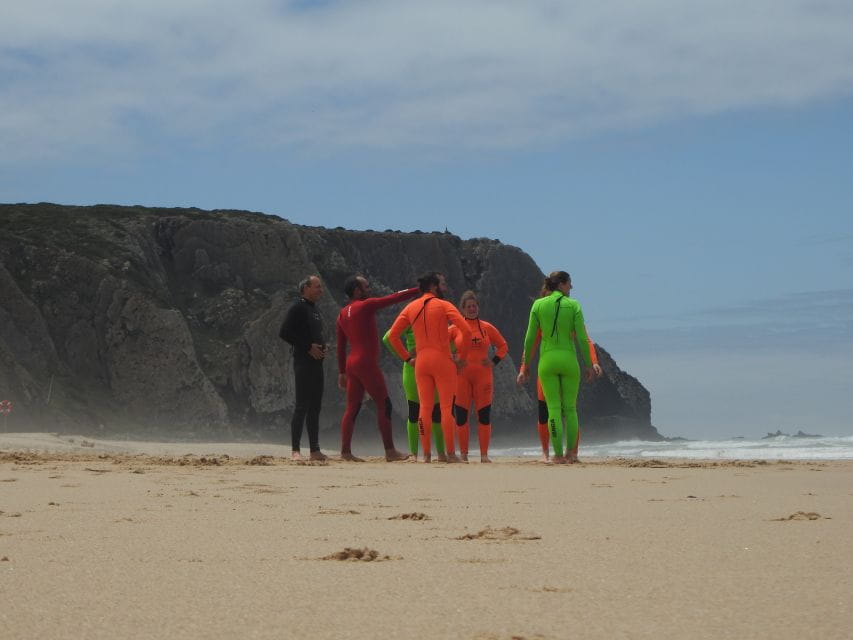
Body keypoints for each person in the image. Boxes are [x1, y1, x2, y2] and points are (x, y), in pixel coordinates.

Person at [387, 272, 471, 463]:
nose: (445, 288)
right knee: (445, 408)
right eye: (442, 285)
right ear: (433, 287)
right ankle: (450, 454)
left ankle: (425, 455)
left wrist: (407, 358)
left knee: (424, 408)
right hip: (442, 360)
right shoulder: (444, 305)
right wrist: (461, 358)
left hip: (421, 362)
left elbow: (392, 336)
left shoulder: (410, 307)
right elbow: (465, 330)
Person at [336, 275, 419, 461]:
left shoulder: (342, 314)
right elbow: (394, 297)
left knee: (352, 408)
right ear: (357, 290)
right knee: (384, 404)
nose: (369, 288)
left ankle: (345, 452)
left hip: (351, 364)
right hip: (366, 362)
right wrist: (418, 290)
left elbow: (341, 347)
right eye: (366, 286)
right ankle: (390, 451)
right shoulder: (365, 306)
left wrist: (341, 372)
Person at [518, 271, 592, 464]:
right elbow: (583, 339)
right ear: (561, 284)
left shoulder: (538, 305)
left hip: (548, 360)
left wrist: (525, 365)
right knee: (570, 409)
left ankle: (557, 455)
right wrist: (589, 364)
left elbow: (530, 339)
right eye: (569, 284)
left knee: (553, 409)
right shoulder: (574, 305)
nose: (571, 288)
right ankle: (572, 454)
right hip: (569, 359)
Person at [521, 326, 601, 463]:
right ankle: (546, 453)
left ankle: (572, 453)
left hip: (558, 370)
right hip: (550, 372)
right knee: (545, 414)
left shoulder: (570, 316)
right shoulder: (543, 317)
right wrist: (523, 367)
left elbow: (586, 340)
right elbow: (531, 343)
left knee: (568, 412)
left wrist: (594, 362)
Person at [451, 291, 508, 463]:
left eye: (474, 306)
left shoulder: (486, 327)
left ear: (478, 307)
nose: (472, 309)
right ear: (462, 309)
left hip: (483, 377)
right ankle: (464, 455)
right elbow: (441, 346)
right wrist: (453, 358)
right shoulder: (455, 328)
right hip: (461, 377)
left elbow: (503, 346)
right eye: (468, 306)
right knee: (461, 417)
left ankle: (484, 455)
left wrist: (493, 361)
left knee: (484, 416)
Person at [279, 275, 328, 462]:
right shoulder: (298, 307)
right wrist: (308, 346)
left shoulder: (314, 309)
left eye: (321, 287)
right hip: (303, 362)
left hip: (317, 363)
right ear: (305, 288)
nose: (320, 290)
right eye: (317, 287)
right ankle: (295, 450)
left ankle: (315, 450)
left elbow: (314, 334)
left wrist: (323, 346)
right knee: (302, 406)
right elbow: (284, 332)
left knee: (315, 407)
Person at [382, 326, 448, 461]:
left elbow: (451, 340)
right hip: (412, 369)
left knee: (436, 412)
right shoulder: (409, 320)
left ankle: (440, 454)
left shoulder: (437, 320)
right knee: (414, 411)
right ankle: (414, 453)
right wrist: (405, 355)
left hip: (433, 370)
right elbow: (387, 338)